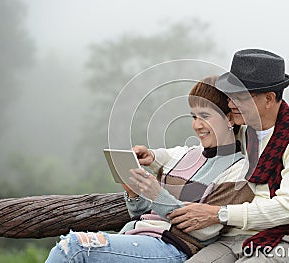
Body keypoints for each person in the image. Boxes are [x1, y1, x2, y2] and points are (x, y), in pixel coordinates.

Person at [137, 49, 289, 262]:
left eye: (240, 97)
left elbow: (288, 208)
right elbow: (197, 153)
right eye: (230, 96)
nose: (230, 104)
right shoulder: (243, 131)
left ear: (268, 99)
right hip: (234, 237)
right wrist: (153, 158)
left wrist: (217, 214)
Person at [45, 76, 254, 262]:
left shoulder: (238, 170)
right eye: (193, 116)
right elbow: (144, 214)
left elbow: (206, 230)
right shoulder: (185, 155)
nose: (197, 125)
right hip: (138, 237)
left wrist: (157, 194)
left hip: (174, 249)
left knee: (73, 247)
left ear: (229, 118)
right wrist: (135, 195)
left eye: (205, 116)